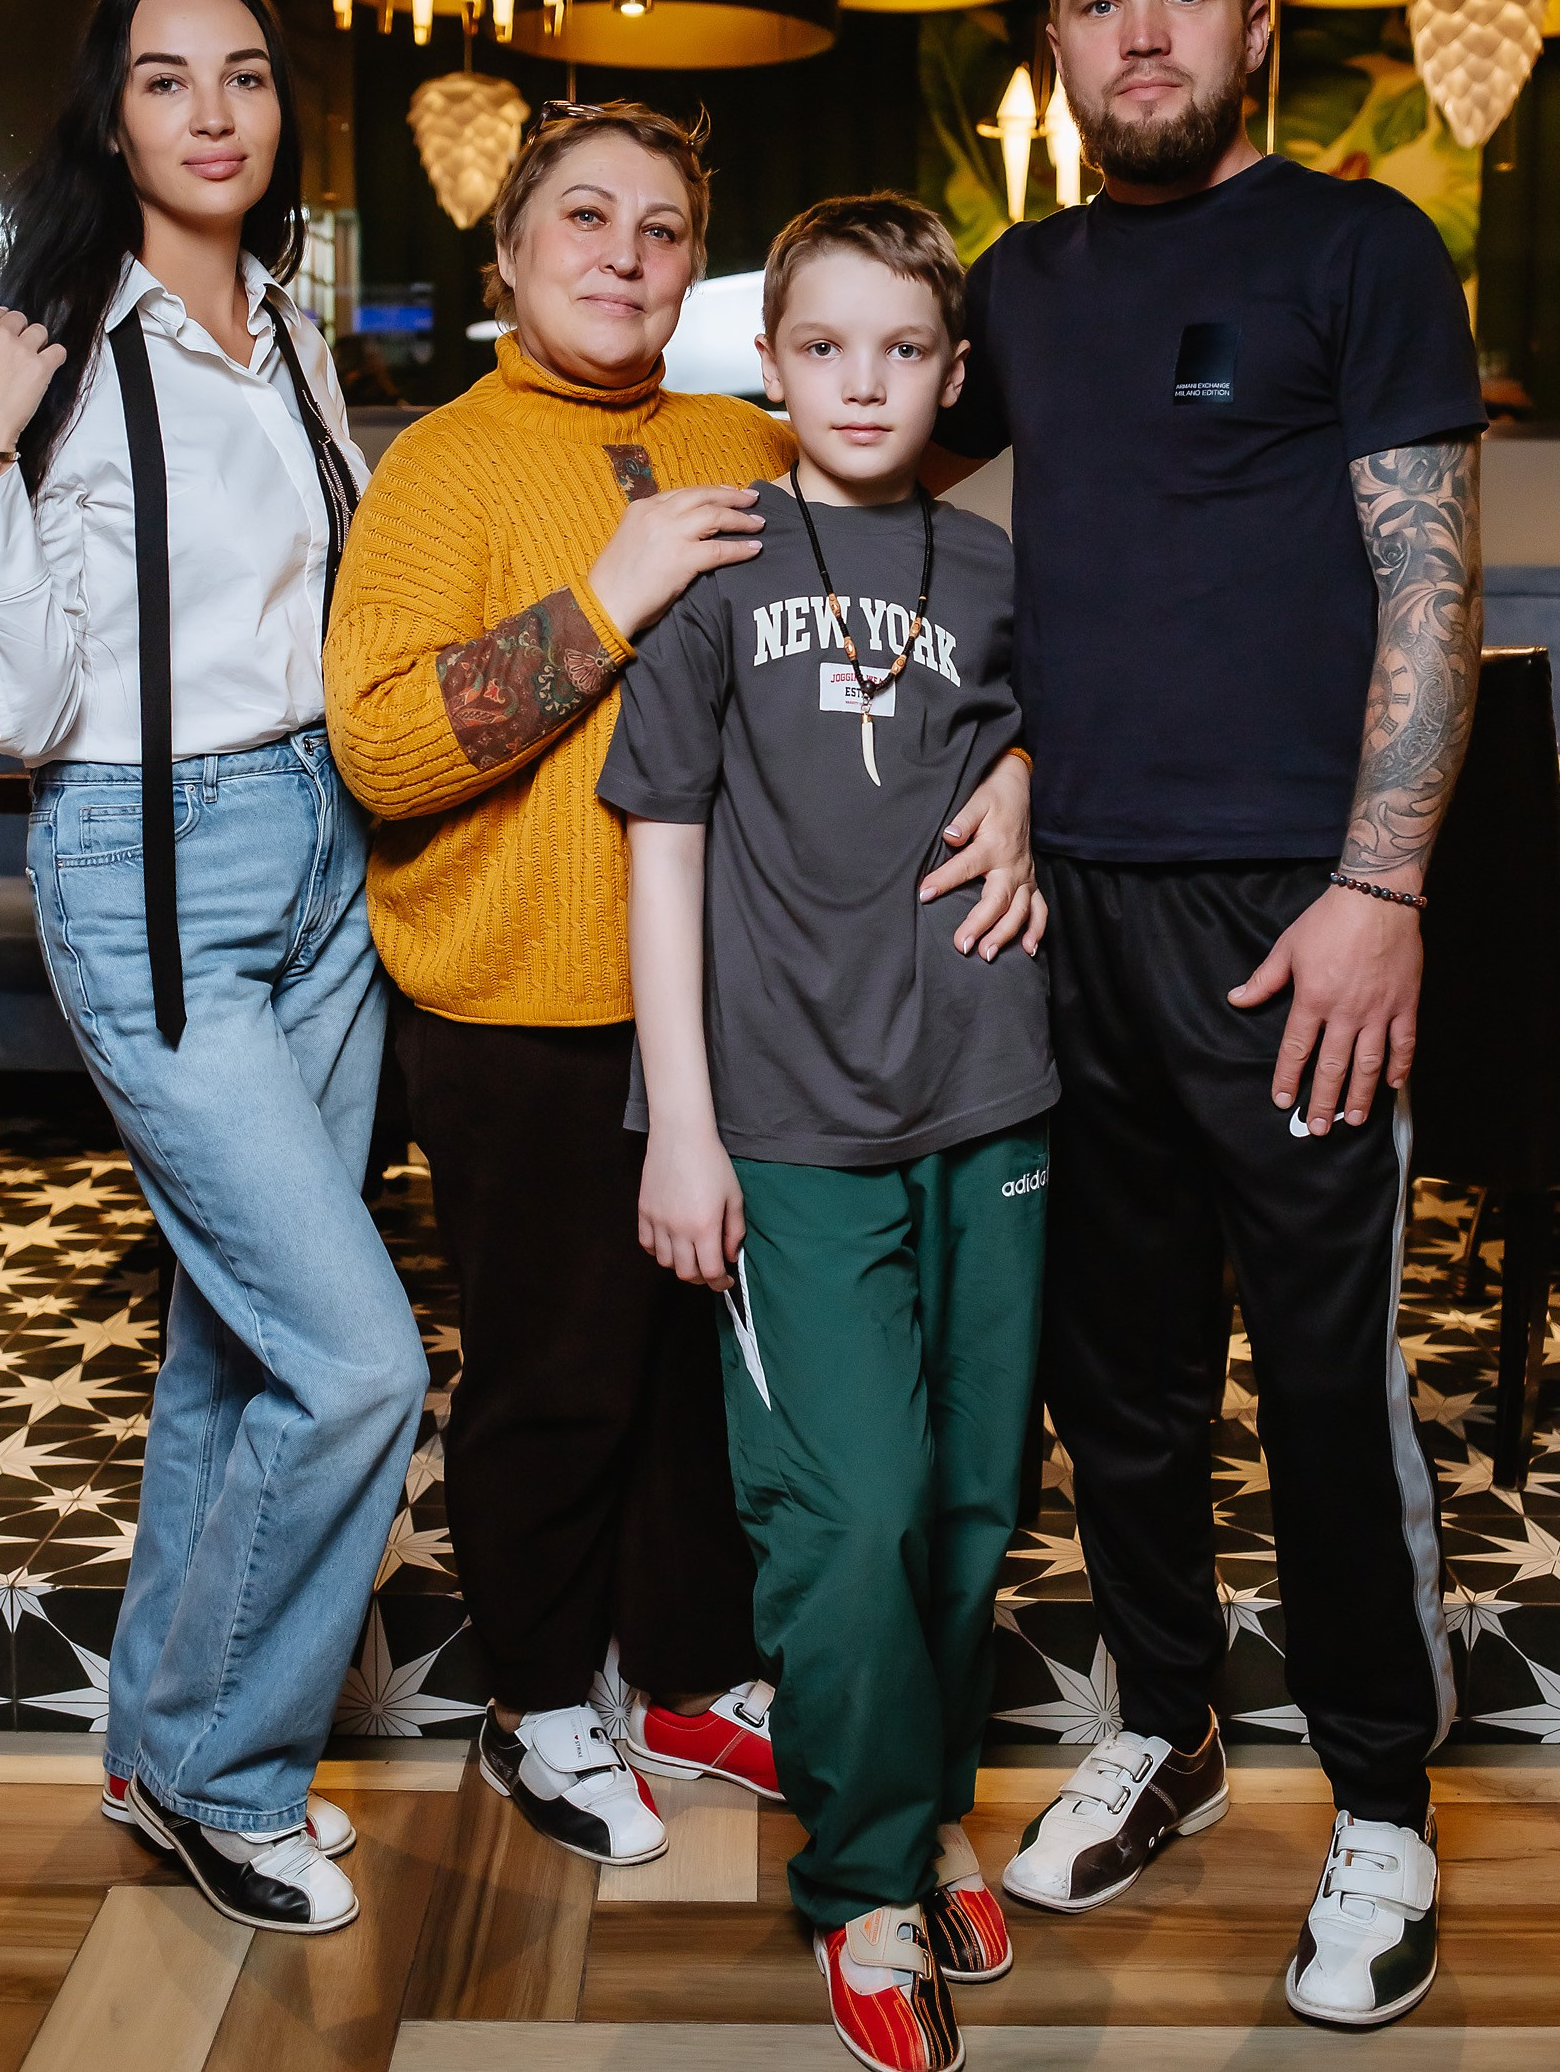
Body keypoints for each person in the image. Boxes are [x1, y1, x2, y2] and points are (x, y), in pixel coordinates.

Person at [325, 107, 1043, 1869]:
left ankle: (690, 1671)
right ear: (508, 253)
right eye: (584, 218)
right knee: (558, 1374)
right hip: (524, 1010)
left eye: (661, 229)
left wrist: (1019, 765)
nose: (624, 256)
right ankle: (538, 1696)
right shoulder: (443, 466)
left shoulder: (744, 431)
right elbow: (382, 747)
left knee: (709, 1382)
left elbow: (925, 627)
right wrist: (606, 600)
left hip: (740, 1023)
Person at [931, 0, 1483, 2032]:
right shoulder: (1023, 282)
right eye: (1100, 3)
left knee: (1326, 1386)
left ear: (1252, 27)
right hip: (1069, 912)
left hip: (1297, 917)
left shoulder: (1362, 247)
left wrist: (1381, 888)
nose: (1142, 33)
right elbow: (867, 447)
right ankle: (1167, 1725)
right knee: (1123, 1380)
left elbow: (1428, 586)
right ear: (1056, 46)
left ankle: (1383, 1801)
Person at [0, 0, 427, 1934]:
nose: (213, 111)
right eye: (167, 79)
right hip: (151, 854)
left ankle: (159, 1745)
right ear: (113, 116)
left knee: (237, 1348)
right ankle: (235, 1777)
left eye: (245, 74)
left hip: (329, 853)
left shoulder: (291, 328)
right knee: (358, 1360)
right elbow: (24, 706)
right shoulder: (45, 348)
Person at [600, 194, 1057, 2072]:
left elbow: (1041, 743)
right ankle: (862, 1879)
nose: (863, 384)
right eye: (824, 347)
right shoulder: (715, 560)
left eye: (904, 349)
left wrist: (1022, 774)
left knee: (970, 1495)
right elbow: (663, 852)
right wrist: (679, 1130)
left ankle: (924, 1801)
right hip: (786, 1119)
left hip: (994, 1086)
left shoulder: (996, 565)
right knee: (848, 1509)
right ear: (772, 365)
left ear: (953, 372)